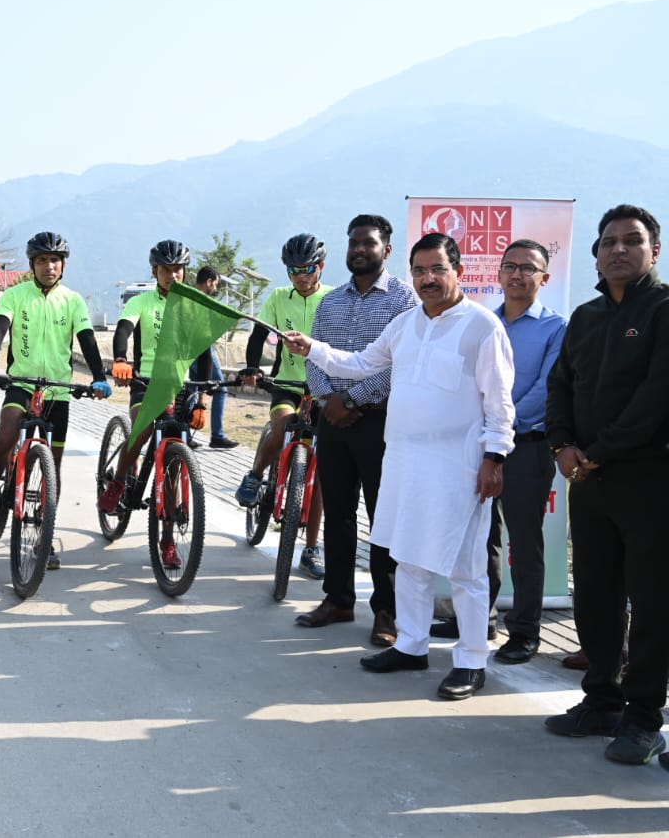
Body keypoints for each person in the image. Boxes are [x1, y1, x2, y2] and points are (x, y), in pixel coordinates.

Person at [284, 231, 515, 701]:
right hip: (405, 461)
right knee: (407, 559)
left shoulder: (482, 327)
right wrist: (313, 349)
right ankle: (411, 644)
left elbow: (500, 403)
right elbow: (362, 363)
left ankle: (471, 660)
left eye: (438, 269)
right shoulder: (406, 324)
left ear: (459, 273)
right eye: (420, 271)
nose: (428, 279)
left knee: (467, 567)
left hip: (460, 467)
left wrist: (494, 458)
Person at [545, 204, 669, 766]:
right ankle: (602, 701)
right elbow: (561, 385)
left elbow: (657, 396)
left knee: (651, 603)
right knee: (594, 594)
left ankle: (643, 718)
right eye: (608, 242)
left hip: (649, 479)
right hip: (589, 480)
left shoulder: (665, 310)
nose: (618, 249)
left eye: (632, 240)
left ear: (654, 251)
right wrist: (563, 445)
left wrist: (599, 450)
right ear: (596, 252)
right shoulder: (587, 317)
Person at [430, 239, 567, 662]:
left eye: (529, 268)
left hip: (525, 448)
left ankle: (524, 631)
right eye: (510, 266)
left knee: (523, 543)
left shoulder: (556, 328)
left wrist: (497, 428)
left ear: (544, 278)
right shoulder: (481, 323)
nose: (517, 275)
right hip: (476, 449)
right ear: (498, 273)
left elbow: (547, 390)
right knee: (477, 537)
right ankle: (476, 617)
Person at [295, 215, 419, 648]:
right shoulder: (330, 302)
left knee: (382, 518)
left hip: (381, 422)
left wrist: (351, 400)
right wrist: (329, 400)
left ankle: (386, 610)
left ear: (387, 250)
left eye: (368, 243)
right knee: (339, 512)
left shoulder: (404, 300)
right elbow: (315, 357)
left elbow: (399, 364)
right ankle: (338, 598)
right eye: (353, 243)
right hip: (331, 421)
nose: (359, 250)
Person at [0, 232, 112, 569]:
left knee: (52, 468)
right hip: (21, 383)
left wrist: (99, 378)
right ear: (33, 264)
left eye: (55, 260)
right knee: (7, 432)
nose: (50, 266)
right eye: (43, 260)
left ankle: (45, 535)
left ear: (63, 266)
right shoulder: (15, 296)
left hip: (58, 389)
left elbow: (87, 340)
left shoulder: (73, 301)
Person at [97, 239, 212, 569]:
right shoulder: (141, 302)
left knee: (174, 464)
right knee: (143, 427)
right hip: (145, 384)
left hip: (180, 388)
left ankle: (167, 540)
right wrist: (121, 359)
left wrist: (203, 399)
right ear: (155, 271)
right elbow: (123, 329)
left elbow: (204, 354)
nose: (172, 275)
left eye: (178, 269)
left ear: (185, 272)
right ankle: (118, 482)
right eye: (166, 269)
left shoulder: (194, 306)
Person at [234, 234, 332, 578]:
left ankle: (312, 547)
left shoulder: (334, 299)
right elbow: (259, 335)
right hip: (287, 385)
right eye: (293, 270)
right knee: (281, 426)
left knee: (321, 473)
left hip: (324, 389)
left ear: (320, 267)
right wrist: (251, 368)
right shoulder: (278, 297)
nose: (301, 276)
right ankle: (256, 475)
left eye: (307, 269)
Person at [189, 267, 237, 449]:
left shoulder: (188, 298)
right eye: (215, 284)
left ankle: (185, 434)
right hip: (202, 349)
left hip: (187, 351)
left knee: (191, 390)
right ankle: (217, 435)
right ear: (209, 282)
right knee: (220, 388)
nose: (215, 289)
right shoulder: (202, 301)